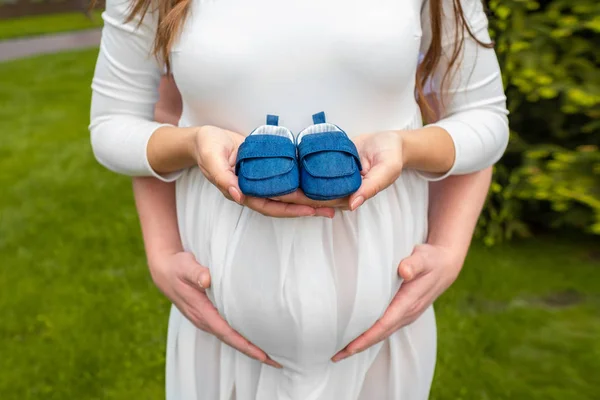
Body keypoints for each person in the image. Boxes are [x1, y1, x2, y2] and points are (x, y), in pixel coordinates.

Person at [89, 0, 509, 398]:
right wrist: (165, 240)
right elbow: (117, 122)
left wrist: (446, 241)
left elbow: (483, 115)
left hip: (384, 338)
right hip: (218, 342)